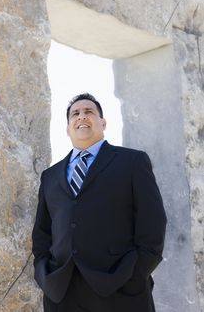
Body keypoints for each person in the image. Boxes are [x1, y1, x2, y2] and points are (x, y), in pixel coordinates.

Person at [32, 93, 167, 312]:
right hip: (62, 292)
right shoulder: (50, 175)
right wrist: (44, 272)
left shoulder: (132, 161)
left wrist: (135, 275)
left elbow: (153, 222)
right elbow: (42, 232)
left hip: (119, 288)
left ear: (102, 123)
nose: (81, 116)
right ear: (68, 128)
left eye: (89, 112)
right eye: (75, 113)